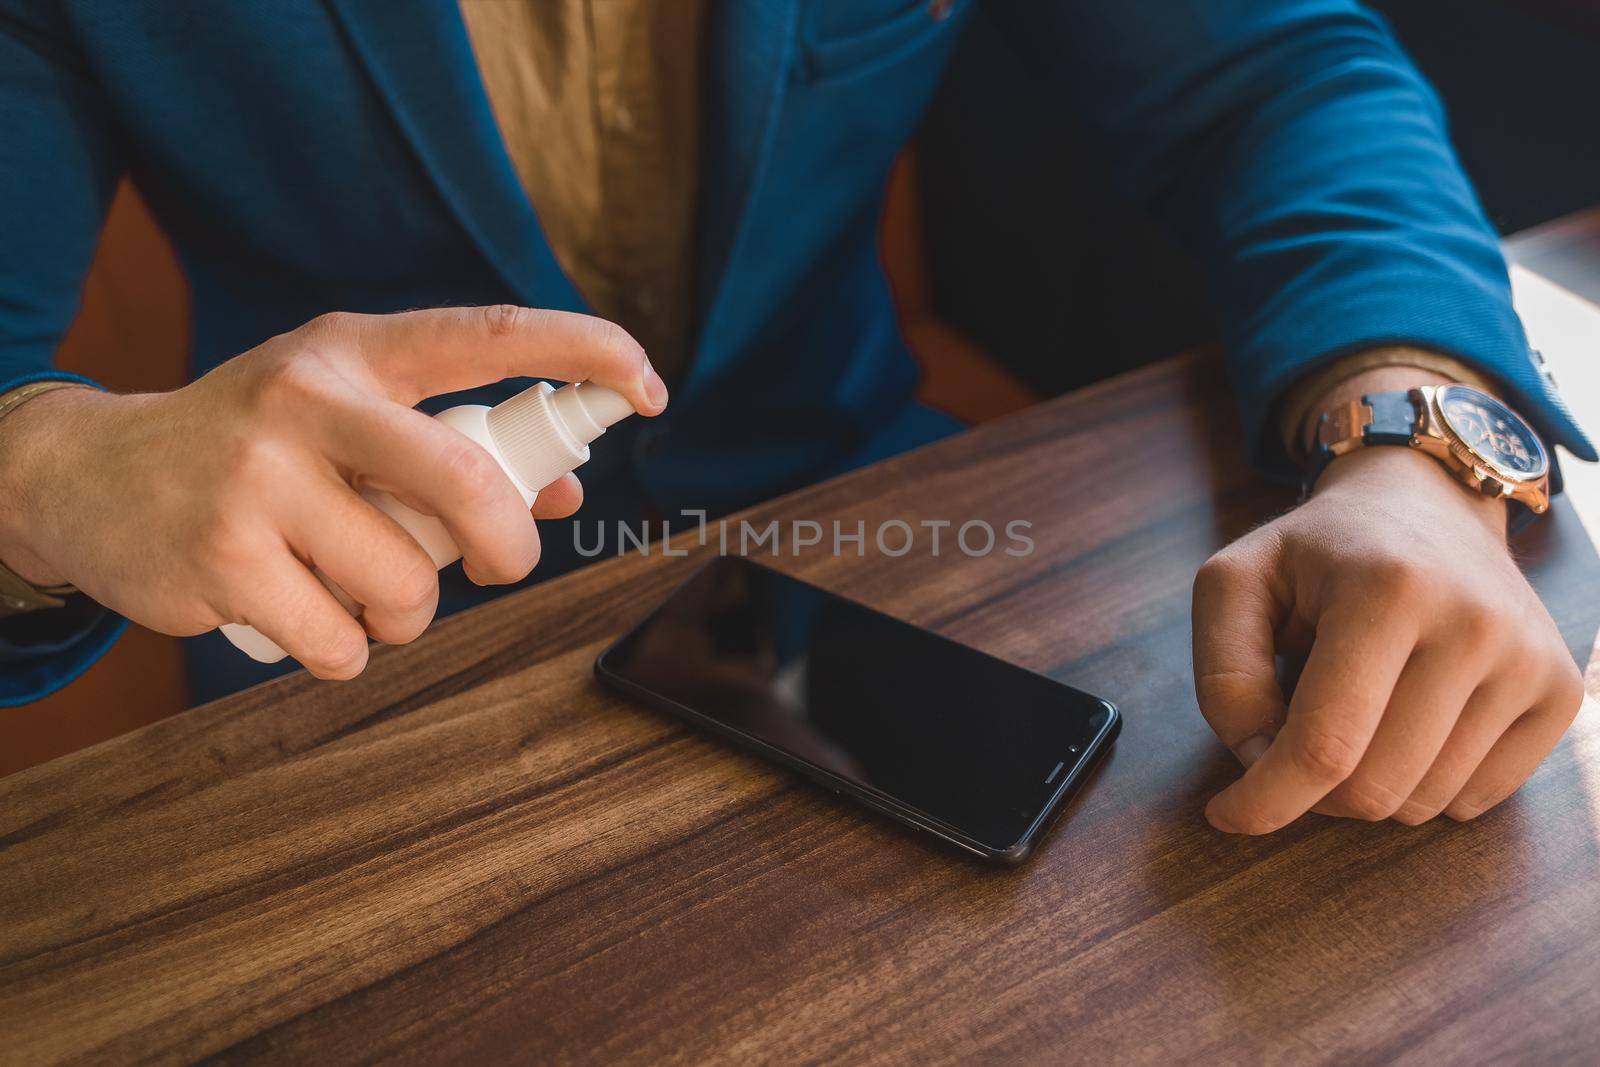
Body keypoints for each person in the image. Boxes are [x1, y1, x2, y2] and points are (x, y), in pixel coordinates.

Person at [0, 1, 1587, 834]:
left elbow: (1278, 81)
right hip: (351, 649)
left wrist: (1418, 450)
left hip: (880, 550)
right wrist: (51, 470)